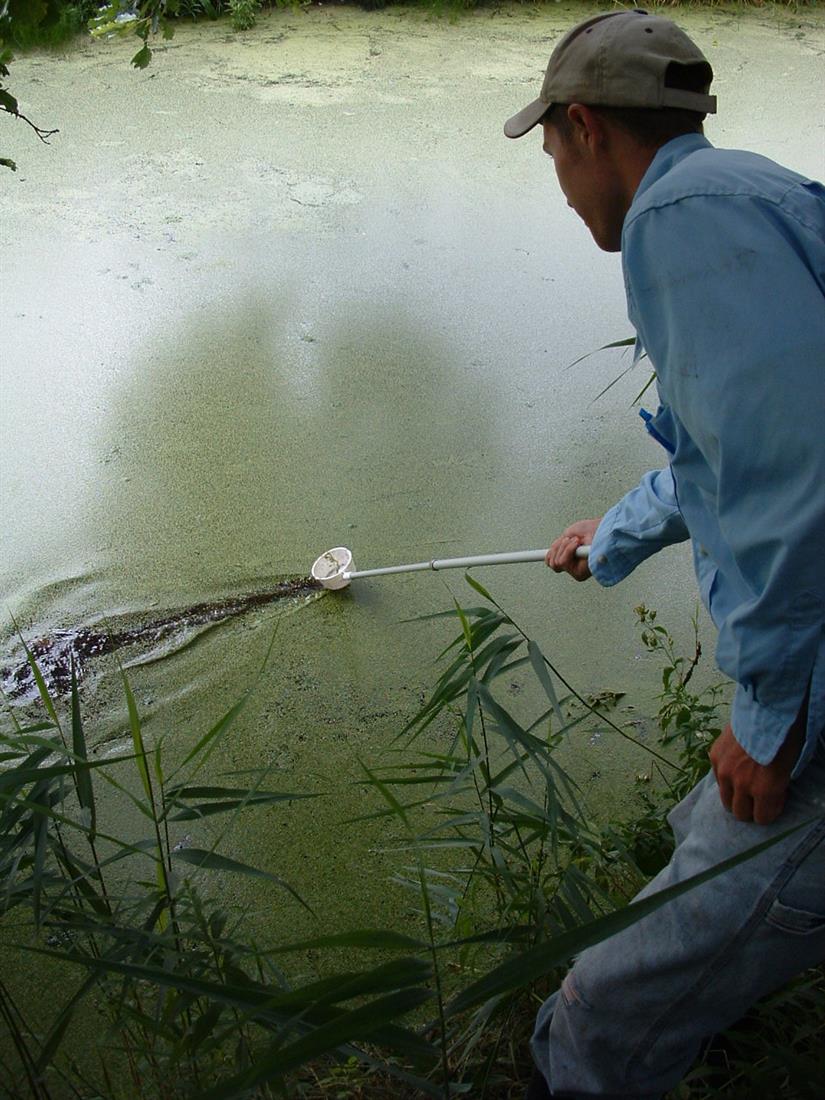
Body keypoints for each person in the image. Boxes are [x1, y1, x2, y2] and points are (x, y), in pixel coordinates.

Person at [504, 9, 825, 1099]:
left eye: (551, 153)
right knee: (698, 819)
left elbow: (795, 478)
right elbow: (728, 451)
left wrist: (771, 719)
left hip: (819, 706)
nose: (560, 183)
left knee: (594, 1023)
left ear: (586, 127)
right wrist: (618, 532)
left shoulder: (677, 225)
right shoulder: (758, 195)